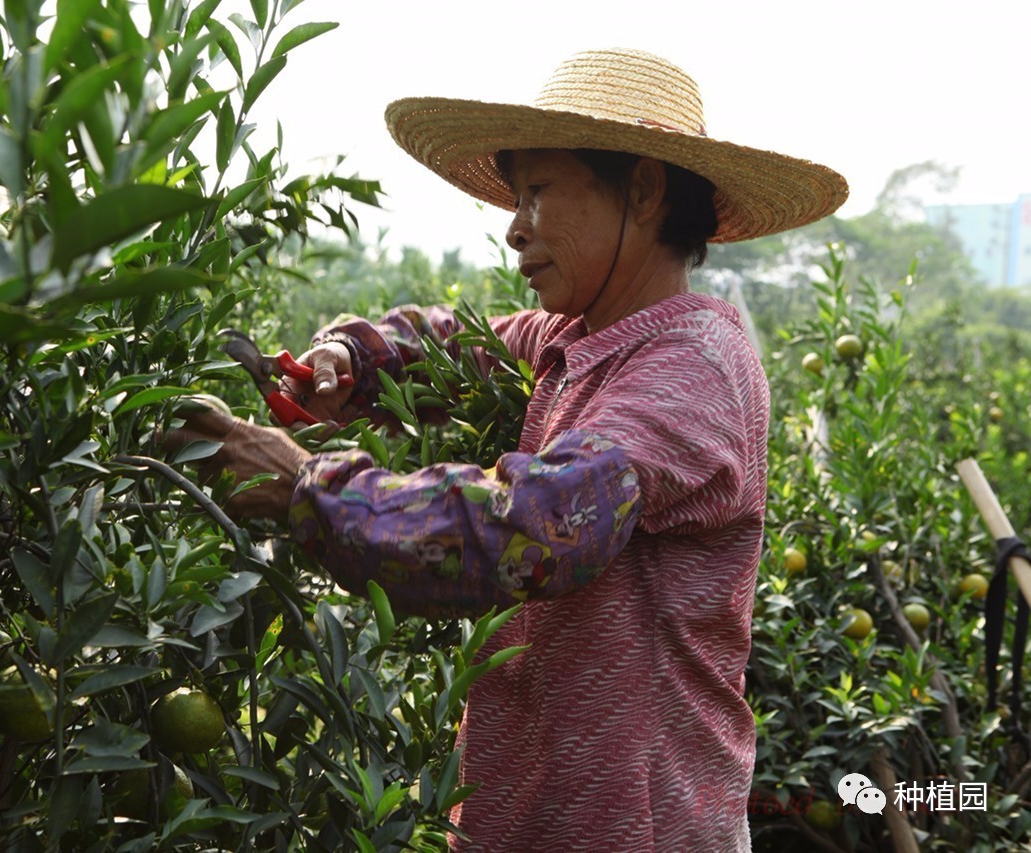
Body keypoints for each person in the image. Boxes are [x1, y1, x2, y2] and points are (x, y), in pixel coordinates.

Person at [169, 48, 847, 851]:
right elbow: (453, 343)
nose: (516, 225)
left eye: (539, 191)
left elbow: (539, 523)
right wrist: (352, 359)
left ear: (642, 189)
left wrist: (304, 490)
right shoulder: (574, 338)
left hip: (642, 828)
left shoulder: (693, 365)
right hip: (524, 813)